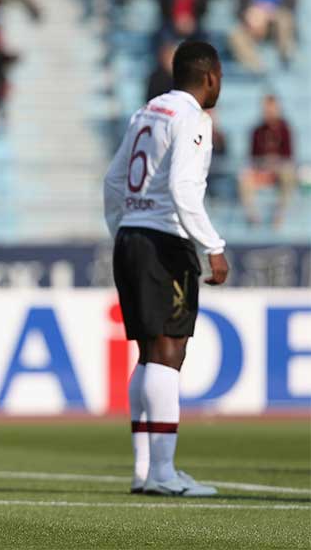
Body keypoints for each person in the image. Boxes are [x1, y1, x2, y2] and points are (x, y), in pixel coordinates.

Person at [103, 40, 228, 497]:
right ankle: (163, 473)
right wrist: (212, 246)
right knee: (169, 351)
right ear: (210, 76)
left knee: (149, 352)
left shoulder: (148, 111)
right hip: (163, 241)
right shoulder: (194, 118)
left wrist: (123, 227)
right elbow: (182, 186)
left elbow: (114, 179)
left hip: (131, 237)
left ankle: (145, 470)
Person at [238, 95, 296, 227]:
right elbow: (252, 157)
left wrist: (274, 163)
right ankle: (253, 217)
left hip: (278, 171)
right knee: (244, 177)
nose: (268, 111)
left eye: (271, 108)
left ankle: (280, 216)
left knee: (288, 174)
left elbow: (288, 157)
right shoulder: (257, 131)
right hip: (261, 170)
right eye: (266, 108)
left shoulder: (285, 130)